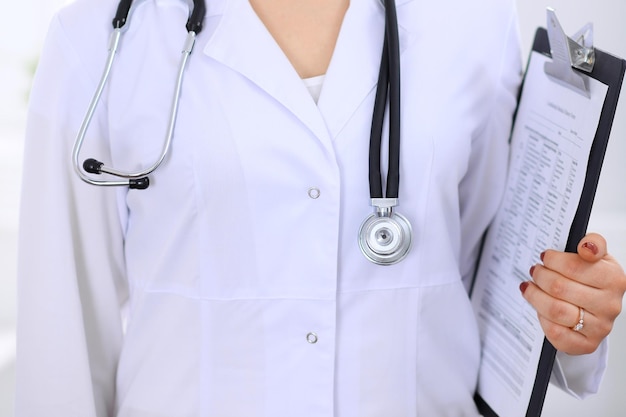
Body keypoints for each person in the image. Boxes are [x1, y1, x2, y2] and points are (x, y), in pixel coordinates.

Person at [16, 0, 626, 415]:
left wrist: (570, 308)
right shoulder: (103, 32)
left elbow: (494, 273)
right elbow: (61, 328)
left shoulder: (469, 16)